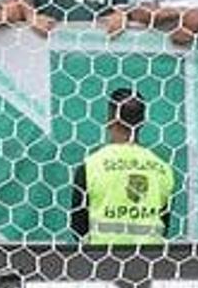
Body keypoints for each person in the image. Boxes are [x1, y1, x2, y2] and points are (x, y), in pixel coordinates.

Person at [71, 88, 174, 244]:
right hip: (152, 261)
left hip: (100, 260)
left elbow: (78, 226)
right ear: (143, 122)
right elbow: (164, 224)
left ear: (110, 119)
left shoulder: (91, 166)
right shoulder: (163, 169)